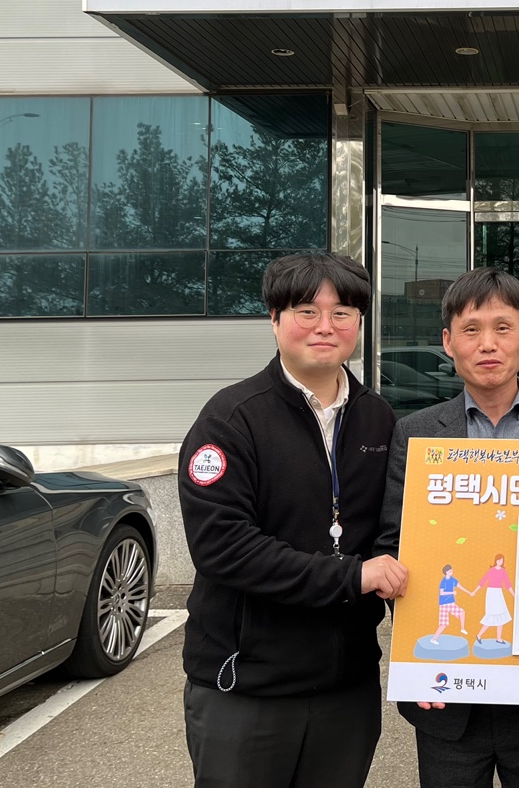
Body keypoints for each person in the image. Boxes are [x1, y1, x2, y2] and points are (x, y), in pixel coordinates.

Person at [178, 252, 408, 788]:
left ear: (359, 323)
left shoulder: (377, 417)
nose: (325, 326)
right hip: (247, 687)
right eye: (307, 311)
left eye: (342, 312)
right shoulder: (231, 418)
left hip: (346, 687)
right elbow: (222, 548)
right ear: (275, 319)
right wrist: (352, 576)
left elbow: (396, 532)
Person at [376, 267, 519, 788]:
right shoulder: (416, 434)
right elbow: (394, 544)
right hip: (447, 697)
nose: (488, 344)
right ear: (448, 342)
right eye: (471, 330)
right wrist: (417, 653)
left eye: (503, 328)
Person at [432, 564, 472, 644]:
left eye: (452, 570)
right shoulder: (443, 581)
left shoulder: (453, 580)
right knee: (443, 624)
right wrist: (452, 592)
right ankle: (434, 639)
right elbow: (441, 593)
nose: (452, 572)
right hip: (444, 604)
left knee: (462, 612)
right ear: (446, 572)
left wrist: (469, 592)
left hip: (450, 603)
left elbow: (460, 586)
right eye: (450, 571)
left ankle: (462, 629)